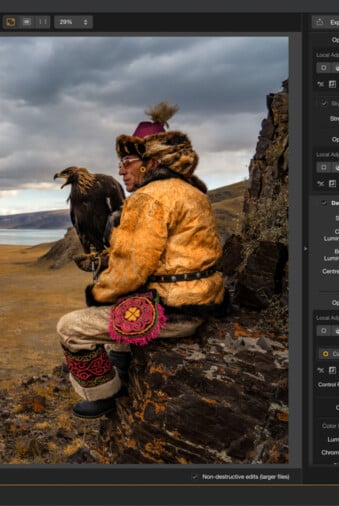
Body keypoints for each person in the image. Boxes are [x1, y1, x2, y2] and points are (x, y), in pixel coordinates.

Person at [56, 101, 226, 418]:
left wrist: (98, 290)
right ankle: (122, 361)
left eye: (128, 162)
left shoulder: (148, 198)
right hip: (200, 300)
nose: (121, 170)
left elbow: (129, 271)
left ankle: (103, 394)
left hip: (173, 313)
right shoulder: (192, 191)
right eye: (120, 163)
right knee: (125, 299)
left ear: (151, 162)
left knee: (71, 328)